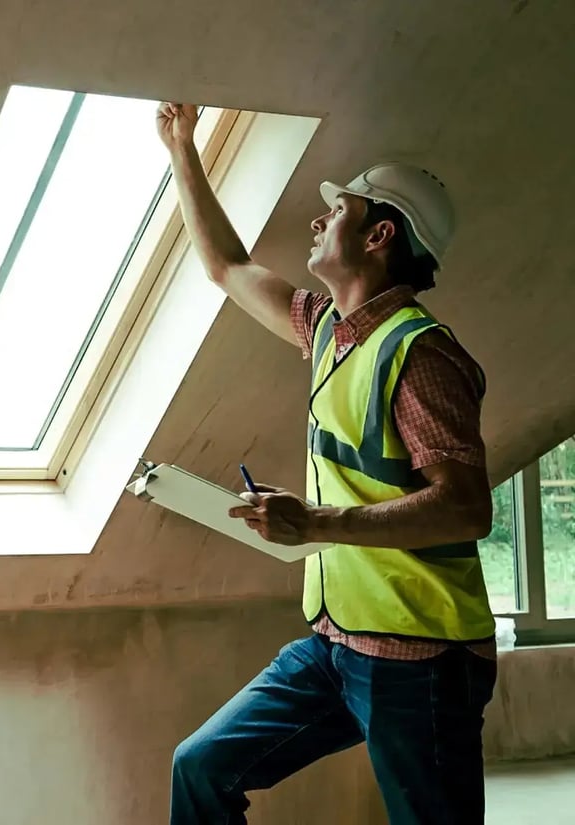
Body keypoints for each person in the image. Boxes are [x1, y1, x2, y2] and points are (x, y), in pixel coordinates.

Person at [157, 102, 497, 825]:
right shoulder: (328, 331)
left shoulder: (422, 352)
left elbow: (467, 505)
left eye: (334, 209)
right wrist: (181, 146)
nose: (316, 221)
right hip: (337, 643)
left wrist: (315, 520)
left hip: (423, 658)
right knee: (201, 767)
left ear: (379, 235)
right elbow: (227, 265)